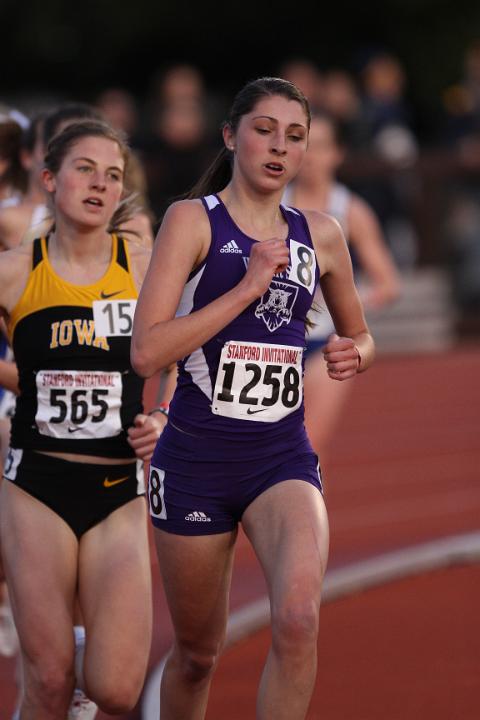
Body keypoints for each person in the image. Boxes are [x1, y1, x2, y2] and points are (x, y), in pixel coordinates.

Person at [131, 76, 375, 720]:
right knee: (196, 656)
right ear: (231, 135)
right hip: (193, 464)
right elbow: (146, 352)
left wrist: (358, 353)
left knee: (297, 619)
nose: (278, 147)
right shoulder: (192, 220)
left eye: (295, 137)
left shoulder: (320, 233)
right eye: (264, 130)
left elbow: (359, 334)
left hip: (280, 458)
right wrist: (246, 287)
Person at [0, 119, 166, 718]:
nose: (100, 184)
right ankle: (52, 652)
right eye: (85, 170)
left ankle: (68, 639)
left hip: (119, 487)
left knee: (116, 690)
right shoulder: (17, 271)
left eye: (113, 175)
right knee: (47, 684)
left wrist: (165, 414)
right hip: (36, 485)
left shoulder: (143, 265)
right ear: (49, 180)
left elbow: (191, 349)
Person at [284, 112, 401, 460]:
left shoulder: (349, 210)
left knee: (306, 451)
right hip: (272, 340)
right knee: (259, 456)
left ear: (337, 154)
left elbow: (388, 283)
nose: (310, 156)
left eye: (320, 147)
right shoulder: (272, 203)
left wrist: (345, 302)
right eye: (302, 145)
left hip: (326, 343)